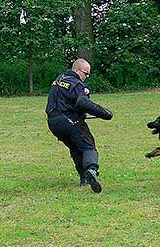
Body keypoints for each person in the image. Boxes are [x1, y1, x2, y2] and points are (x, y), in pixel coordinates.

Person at [45, 58, 113, 193]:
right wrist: (105, 113)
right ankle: (92, 170)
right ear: (76, 70)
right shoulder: (77, 84)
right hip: (69, 121)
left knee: (76, 148)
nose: (87, 77)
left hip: (53, 122)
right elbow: (83, 103)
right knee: (88, 146)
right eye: (85, 73)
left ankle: (84, 178)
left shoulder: (59, 80)